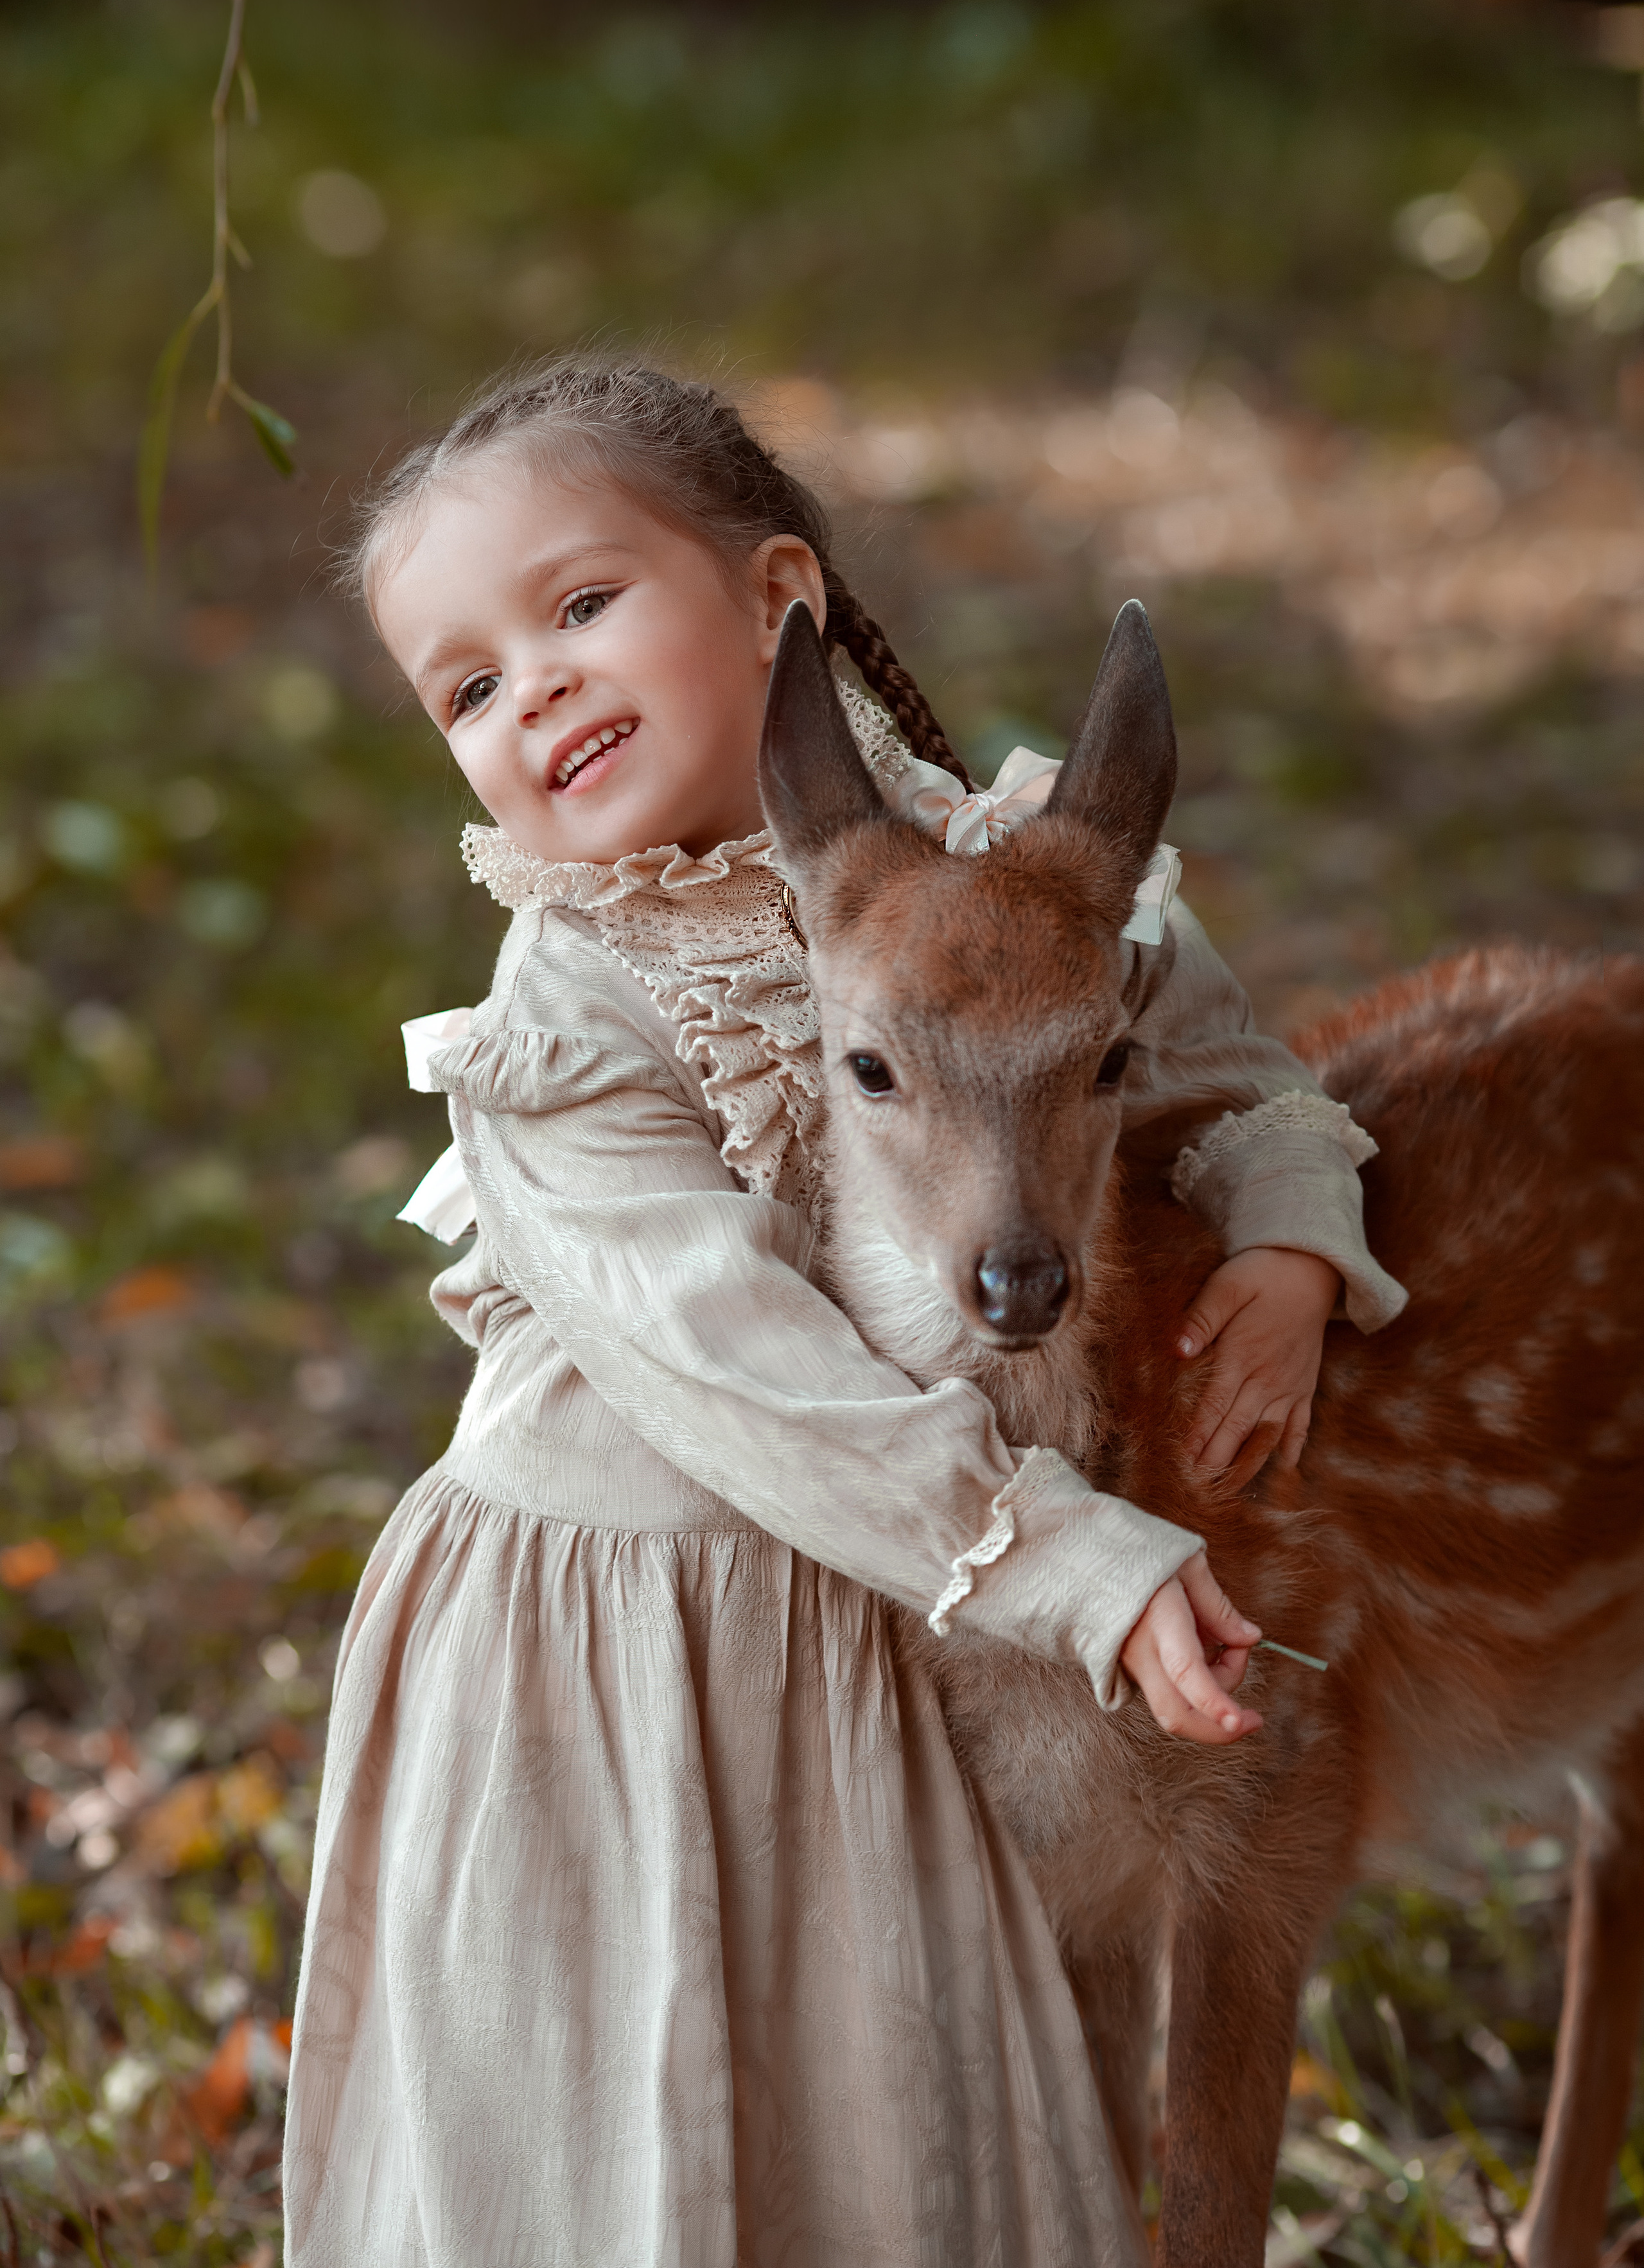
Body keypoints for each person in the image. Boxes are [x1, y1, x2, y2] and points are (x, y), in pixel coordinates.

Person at [283, 360, 1406, 2268]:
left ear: (779, 603)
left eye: (578, 606)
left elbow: (1235, 1081)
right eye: (466, 688)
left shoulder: (1017, 867)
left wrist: (1292, 1247)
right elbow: (742, 1375)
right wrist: (1071, 1560)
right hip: (632, 1632)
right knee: (627, 2074)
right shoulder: (567, 1021)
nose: (533, 688)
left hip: (895, 1619)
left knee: (867, 2079)